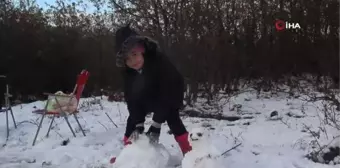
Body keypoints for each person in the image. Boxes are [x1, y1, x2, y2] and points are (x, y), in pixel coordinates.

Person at [114, 24, 192, 155]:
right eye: (127, 58)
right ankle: (127, 155)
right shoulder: (128, 72)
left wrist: (156, 124)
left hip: (168, 96)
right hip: (145, 98)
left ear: (142, 49)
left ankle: (189, 152)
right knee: (132, 121)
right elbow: (132, 99)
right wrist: (139, 124)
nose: (133, 61)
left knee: (172, 117)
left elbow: (170, 91)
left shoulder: (159, 61)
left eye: (134, 54)